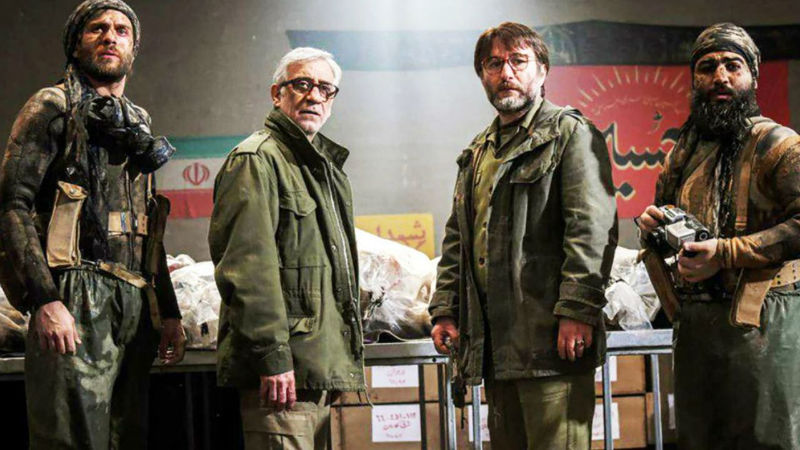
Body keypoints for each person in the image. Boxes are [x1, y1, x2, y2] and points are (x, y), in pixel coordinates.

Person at [0, 1, 186, 448]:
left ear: (134, 47)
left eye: (122, 30)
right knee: (72, 438)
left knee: (127, 437)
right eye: (97, 28)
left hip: (133, 298)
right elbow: (12, 206)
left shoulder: (138, 122)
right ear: (75, 43)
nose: (110, 37)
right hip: (75, 294)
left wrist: (169, 311)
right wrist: (45, 299)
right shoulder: (53, 105)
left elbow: (148, 225)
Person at [428, 22, 618, 449]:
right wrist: (445, 309)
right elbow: (458, 239)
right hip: (498, 349)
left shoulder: (570, 133)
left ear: (543, 70)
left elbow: (591, 230)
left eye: (518, 61)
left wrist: (578, 310)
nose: (506, 73)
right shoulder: (478, 152)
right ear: (482, 75)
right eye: (494, 64)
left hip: (552, 344)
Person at [636, 23, 800, 449]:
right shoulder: (683, 152)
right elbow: (668, 220)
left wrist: (725, 253)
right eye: (707, 68)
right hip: (697, 326)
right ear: (694, 79)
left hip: (764, 323)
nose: (720, 77)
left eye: (733, 65)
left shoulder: (779, 145)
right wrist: (654, 229)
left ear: (753, 77)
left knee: (767, 440)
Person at [208, 47, 365, 450]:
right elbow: (247, 271)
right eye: (302, 84)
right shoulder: (256, 160)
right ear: (277, 94)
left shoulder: (323, 169)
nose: (314, 96)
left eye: (325, 89)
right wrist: (272, 357)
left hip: (313, 371)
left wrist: (339, 359)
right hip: (282, 376)